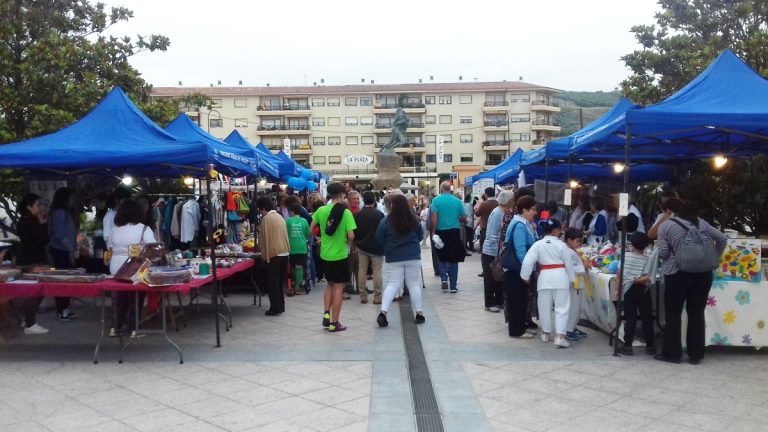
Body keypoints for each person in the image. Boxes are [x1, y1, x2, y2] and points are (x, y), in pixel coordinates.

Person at [656, 201, 727, 365]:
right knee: (696, 313)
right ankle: (696, 355)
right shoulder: (702, 223)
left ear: (674, 212)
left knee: (673, 314)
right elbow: (722, 238)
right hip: (703, 274)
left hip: (676, 273)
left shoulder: (666, 226)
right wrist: (713, 257)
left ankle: (672, 354)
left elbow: (664, 253)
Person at [310, 182, 357, 333]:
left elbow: (311, 229)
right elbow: (351, 235)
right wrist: (349, 245)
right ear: (343, 195)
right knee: (339, 288)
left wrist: (320, 239)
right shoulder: (346, 212)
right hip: (340, 255)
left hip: (325, 255)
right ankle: (334, 323)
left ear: (329, 195)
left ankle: (326, 313)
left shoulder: (321, 210)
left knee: (329, 285)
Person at [520, 218, 572, 348]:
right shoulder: (561, 245)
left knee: (544, 307)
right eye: (560, 229)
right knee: (562, 308)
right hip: (561, 277)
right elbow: (569, 265)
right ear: (555, 231)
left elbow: (527, 262)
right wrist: (571, 279)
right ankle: (560, 336)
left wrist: (525, 276)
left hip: (544, 278)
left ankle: (545, 333)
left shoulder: (538, 244)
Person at [108, 199, 157, 336]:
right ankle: (132, 327)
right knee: (136, 296)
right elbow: (152, 249)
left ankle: (115, 327)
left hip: (115, 267)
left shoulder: (115, 229)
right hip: (134, 268)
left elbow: (110, 248)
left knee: (120, 297)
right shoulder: (143, 229)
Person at [376, 194, 425, 327]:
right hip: (412, 256)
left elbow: (379, 237)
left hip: (393, 256)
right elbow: (421, 235)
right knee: (413, 284)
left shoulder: (386, 220)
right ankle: (419, 313)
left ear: (392, 205)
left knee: (392, 284)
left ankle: (383, 313)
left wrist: (387, 246)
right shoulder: (413, 219)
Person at [503, 195, 537, 339]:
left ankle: (520, 327)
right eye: (533, 210)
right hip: (516, 270)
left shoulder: (522, 223)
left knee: (520, 299)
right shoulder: (519, 226)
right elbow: (521, 252)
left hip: (516, 270)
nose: (535, 212)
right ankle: (517, 331)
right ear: (524, 210)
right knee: (516, 300)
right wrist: (526, 272)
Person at [14, 193, 49, 334]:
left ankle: (28, 320)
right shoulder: (30, 221)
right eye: (37, 205)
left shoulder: (24, 220)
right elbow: (42, 240)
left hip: (27, 259)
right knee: (35, 291)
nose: (40, 208)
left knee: (36, 290)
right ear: (29, 206)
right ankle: (30, 324)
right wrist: (42, 224)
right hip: (32, 260)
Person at [616, 232, 655, 356]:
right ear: (646, 245)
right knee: (647, 318)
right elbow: (648, 277)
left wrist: (617, 289)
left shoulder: (625, 257)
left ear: (631, 244)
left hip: (628, 290)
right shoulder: (647, 259)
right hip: (643, 290)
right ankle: (650, 346)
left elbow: (619, 274)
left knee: (630, 318)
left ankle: (628, 346)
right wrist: (638, 279)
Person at [48, 187, 79, 321]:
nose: (73, 201)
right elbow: (59, 236)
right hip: (61, 251)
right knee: (62, 281)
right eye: (71, 198)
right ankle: (61, 310)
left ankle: (64, 308)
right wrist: (70, 249)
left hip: (64, 250)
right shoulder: (60, 213)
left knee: (66, 281)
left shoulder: (64, 213)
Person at [430, 181, 467, 293]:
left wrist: (433, 231)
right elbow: (464, 217)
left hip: (441, 231)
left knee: (442, 257)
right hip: (454, 231)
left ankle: (444, 280)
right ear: (450, 189)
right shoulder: (457, 201)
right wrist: (460, 220)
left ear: (441, 189)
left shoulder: (436, 200)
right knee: (453, 258)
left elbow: (434, 218)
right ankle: (454, 286)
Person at [481, 190, 514, 313]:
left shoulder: (503, 212)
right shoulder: (497, 213)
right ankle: (489, 303)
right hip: (491, 251)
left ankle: (499, 301)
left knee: (498, 277)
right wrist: (497, 252)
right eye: (512, 200)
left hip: (496, 250)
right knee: (490, 277)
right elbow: (493, 235)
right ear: (509, 201)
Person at [257, 197, 290, 315]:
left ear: (263, 208)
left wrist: (264, 256)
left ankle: (275, 307)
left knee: (273, 282)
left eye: (260, 210)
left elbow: (264, 239)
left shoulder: (267, 219)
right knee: (280, 282)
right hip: (284, 251)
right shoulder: (279, 216)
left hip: (274, 253)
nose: (260, 212)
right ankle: (281, 305)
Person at [354, 191, 385, 304]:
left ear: (363, 200)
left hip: (362, 246)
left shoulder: (358, 215)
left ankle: (363, 295)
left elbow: (354, 231)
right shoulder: (379, 214)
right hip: (377, 247)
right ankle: (377, 296)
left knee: (362, 270)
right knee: (377, 271)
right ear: (374, 201)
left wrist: (355, 244)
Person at [563, 228, 589, 341]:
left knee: (577, 307)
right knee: (573, 307)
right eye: (577, 241)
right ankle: (569, 329)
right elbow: (571, 268)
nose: (579, 244)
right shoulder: (567, 252)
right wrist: (584, 266)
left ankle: (572, 327)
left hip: (576, 283)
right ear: (569, 240)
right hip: (573, 284)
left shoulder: (571, 251)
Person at [286, 204, 310, 297]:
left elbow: (285, 233)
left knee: (292, 267)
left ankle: (292, 284)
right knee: (299, 267)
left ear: (291, 212)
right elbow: (307, 234)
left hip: (291, 248)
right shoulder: (304, 221)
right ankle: (297, 288)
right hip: (302, 248)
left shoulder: (288, 221)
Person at [475, 187, 498, 253]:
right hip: (495, 227)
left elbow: (477, 214)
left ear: (486, 194)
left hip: (485, 226)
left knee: (484, 243)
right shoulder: (498, 203)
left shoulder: (484, 204)